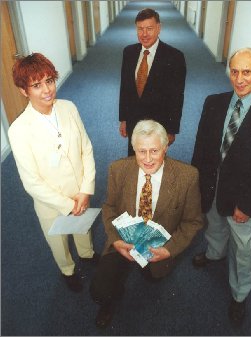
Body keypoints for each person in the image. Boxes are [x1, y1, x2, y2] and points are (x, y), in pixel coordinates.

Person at [191, 48, 251, 325]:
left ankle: (239, 294)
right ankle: (214, 253)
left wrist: (247, 204)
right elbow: (201, 148)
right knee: (213, 223)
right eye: (234, 71)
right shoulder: (214, 102)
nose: (239, 78)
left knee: (242, 247)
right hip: (213, 181)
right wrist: (198, 183)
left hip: (242, 195)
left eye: (247, 72)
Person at [90, 120, 203, 328]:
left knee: (153, 277)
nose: (148, 159)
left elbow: (193, 222)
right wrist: (115, 241)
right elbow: (109, 208)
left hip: (158, 249)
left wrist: (169, 250)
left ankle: (151, 271)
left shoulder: (188, 177)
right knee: (100, 291)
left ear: (166, 148)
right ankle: (109, 302)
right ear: (134, 149)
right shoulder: (118, 169)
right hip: (124, 241)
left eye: (154, 151)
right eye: (142, 151)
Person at [8, 53, 99, 293]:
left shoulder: (68, 107)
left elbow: (86, 149)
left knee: (83, 230)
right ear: (24, 91)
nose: (47, 90)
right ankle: (67, 270)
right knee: (59, 244)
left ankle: (87, 255)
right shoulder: (19, 130)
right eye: (36, 85)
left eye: (49, 80)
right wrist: (67, 204)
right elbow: (31, 182)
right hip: (51, 203)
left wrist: (85, 189)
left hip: (80, 192)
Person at [119, 8, 186, 156]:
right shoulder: (128, 52)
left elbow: (177, 97)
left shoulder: (175, 57)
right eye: (140, 29)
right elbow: (125, 88)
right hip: (133, 121)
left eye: (149, 28)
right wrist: (123, 119)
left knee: (155, 161)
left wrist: (171, 129)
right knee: (134, 157)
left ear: (159, 28)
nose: (144, 34)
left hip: (159, 123)